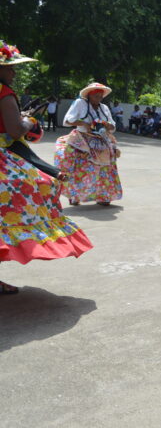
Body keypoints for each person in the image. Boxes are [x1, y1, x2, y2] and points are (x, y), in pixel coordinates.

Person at [0, 40, 92, 292]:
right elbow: (15, 130)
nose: (13, 72)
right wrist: (28, 120)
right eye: (10, 68)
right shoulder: (4, 93)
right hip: (5, 156)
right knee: (39, 187)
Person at [55, 82, 122, 206]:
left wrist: (108, 125)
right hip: (83, 140)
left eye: (101, 96)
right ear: (89, 95)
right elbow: (67, 120)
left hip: (101, 140)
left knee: (105, 169)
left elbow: (113, 127)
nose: (99, 98)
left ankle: (103, 195)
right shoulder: (80, 103)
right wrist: (84, 124)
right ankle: (75, 195)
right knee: (82, 168)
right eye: (96, 96)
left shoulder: (104, 108)